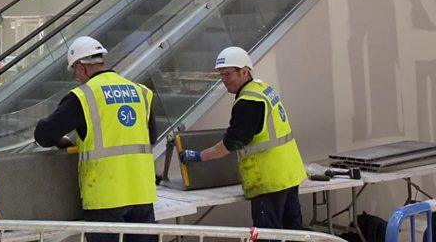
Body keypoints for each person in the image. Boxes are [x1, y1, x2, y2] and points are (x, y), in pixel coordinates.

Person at [34, 36, 157, 242]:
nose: (77, 76)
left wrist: (61, 141)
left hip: (105, 196)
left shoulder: (84, 96)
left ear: (81, 68)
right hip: (142, 192)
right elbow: (150, 137)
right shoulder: (141, 92)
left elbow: (44, 134)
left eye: (75, 71)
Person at [179, 46, 307, 229]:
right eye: (221, 75)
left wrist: (199, 156)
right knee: (293, 231)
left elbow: (232, 143)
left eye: (228, 74)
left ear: (245, 71)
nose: (224, 80)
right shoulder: (262, 89)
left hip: (268, 181)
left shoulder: (248, 102)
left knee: (267, 236)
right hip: (288, 174)